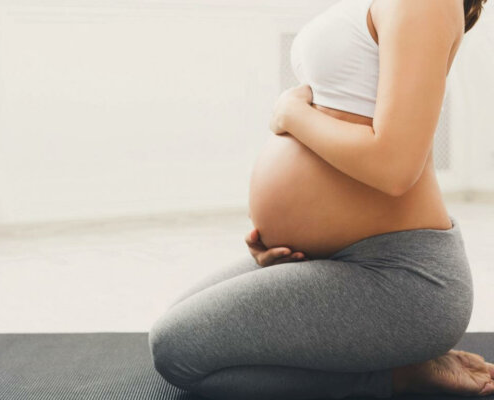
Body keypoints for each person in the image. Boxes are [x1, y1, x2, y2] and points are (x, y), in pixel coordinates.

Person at [148, 0, 494, 398]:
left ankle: (397, 373)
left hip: (400, 276)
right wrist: (301, 242)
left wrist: (290, 114)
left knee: (177, 350)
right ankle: (389, 358)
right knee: (178, 325)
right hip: (335, 260)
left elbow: (394, 166)